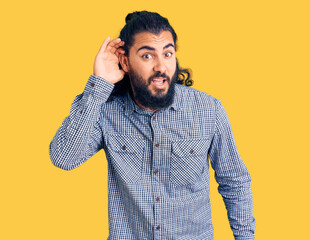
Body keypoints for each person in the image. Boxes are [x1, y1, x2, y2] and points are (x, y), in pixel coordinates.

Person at [49, 10, 255, 240]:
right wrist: (99, 84)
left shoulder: (208, 110)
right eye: (147, 56)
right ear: (125, 62)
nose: (161, 66)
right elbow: (64, 158)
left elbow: (235, 183)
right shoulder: (106, 111)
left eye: (167, 54)